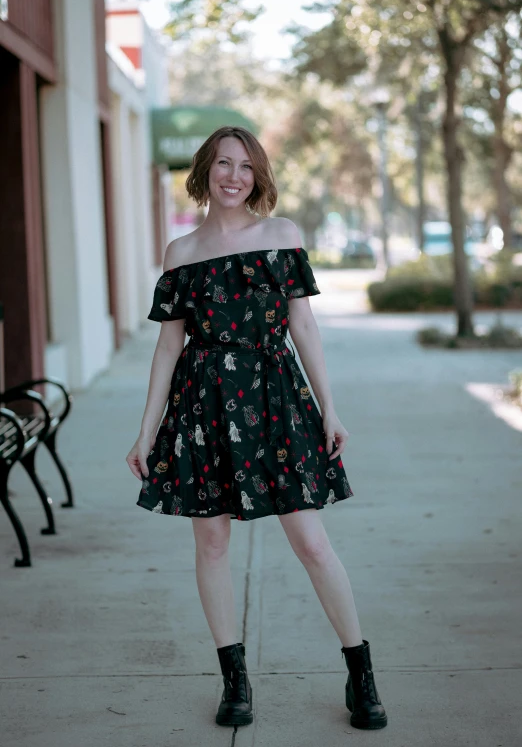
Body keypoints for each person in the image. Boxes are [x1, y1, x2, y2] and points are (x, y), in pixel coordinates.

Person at [126, 125, 387, 731]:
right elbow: (167, 350)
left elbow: (304, 326)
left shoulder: (281, 237)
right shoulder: (181, 253)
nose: (234, 176)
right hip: (204, 407)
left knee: (312, 542)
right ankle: (235, 680)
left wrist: (330, 407)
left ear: (258, 175)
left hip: (276, 401)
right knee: (211, 544)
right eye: (222, 164)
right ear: (204, 171)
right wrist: (147, 432)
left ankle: (361, 672)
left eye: (245, 166)